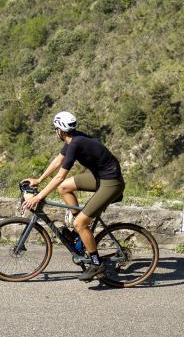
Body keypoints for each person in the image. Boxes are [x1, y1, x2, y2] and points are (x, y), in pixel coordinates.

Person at [22, 111, 124, 282]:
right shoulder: (73, 139)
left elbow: (60, 176)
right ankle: (79, 235)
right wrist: (39, 179)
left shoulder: (76, 143)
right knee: (64, 188)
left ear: (60, 131)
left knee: (80, 223)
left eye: (55, 129)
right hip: (101, 177)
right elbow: (58, 160)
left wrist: (38, 197)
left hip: (111, 182)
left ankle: (96, 263)